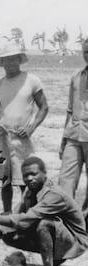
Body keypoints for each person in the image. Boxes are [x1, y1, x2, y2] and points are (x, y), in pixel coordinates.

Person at [0, 44, 49, 213]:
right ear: (2, 63)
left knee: (26, 179)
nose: (10, 63)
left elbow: (44, 107)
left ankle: (28, 215)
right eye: (6, 60)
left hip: (22, 139)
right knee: (4, 179)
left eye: (13, 59)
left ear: (19, 60)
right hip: (2, 139)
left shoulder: (31, 80)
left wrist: (31, 128)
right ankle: (7, 215)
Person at [59, 39, 88, 225]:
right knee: (65, 181)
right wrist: (63, 138)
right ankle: (66, 222)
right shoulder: (76, 76)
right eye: (86, 51)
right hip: (73, 135)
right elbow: (70, 109)